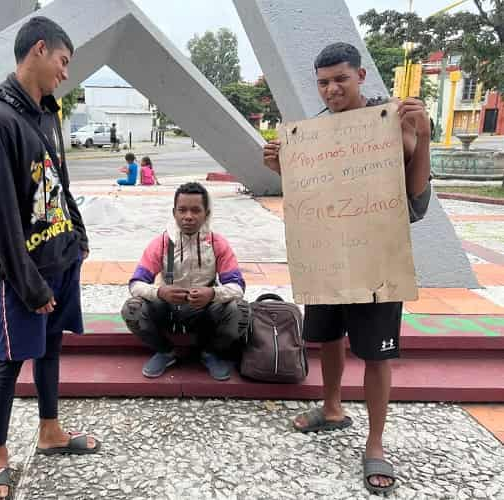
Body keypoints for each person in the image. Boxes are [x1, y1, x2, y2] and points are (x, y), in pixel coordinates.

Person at [263, 42, 432, 495]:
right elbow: (314, 200)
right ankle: (332, 407)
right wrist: (285, 169)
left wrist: (424, 137)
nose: (332, 89)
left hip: (377, 257)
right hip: (327, 254)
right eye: (323, 82)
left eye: (340, 78)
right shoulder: (313, 135)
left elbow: (417, 201)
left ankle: (375, 444)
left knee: (377, 354)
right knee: (329, 337)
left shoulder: (390, 121)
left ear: (360, 76)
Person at [0, 16, 98, 500]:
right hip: (22, 275)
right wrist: (30, 286)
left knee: (51, 350)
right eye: (63, 62)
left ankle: (51, 432)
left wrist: (80, 238)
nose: (66, 73)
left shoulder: (49, 111)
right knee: (10, 359)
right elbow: (0, 218)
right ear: (39, 50)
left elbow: (60, 184)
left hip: (62, 258)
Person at [121, 182, 248, 381]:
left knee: (240, 309)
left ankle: (210, 352)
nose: (188, 216)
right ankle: (165, 351)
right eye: (182, 210)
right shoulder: (161, 243)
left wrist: (213, 294)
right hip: (168, 311)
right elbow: (135, 284)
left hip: (206, 313)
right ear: (174, 212)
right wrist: (160, 293)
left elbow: (238, 287)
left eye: (196, 210)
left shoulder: (218, 244)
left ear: (206, 213)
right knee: (132, 309)